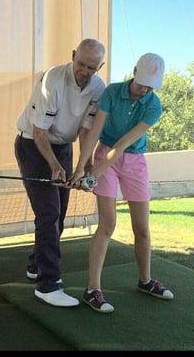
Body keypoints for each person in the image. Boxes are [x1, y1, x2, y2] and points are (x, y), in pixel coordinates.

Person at [69, 53, 174, 313]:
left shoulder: (154, 106)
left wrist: (94, 173)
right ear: (134, 70)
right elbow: (94, 132)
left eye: (150, 85)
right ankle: (92, 289)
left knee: (142, 228)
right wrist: (83, 168)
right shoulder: (112, 92)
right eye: (142, 83)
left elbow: (124, 143)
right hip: (105, 153)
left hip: (134, 161)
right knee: (108, 224)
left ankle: (145, 281)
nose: (144, 90)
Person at [14, 38, 106, 307]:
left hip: (63, 147)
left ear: (99, 66)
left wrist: (84, 165)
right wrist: (54, 166)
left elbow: (86, 129)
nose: (85, 72)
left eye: (92, 67)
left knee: (60, 212)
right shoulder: (53, 79)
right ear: (73, 54)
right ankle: (48, 284)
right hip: (33, 146)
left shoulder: (98, 88)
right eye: (81, 64)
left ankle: (36, 264)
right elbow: (40, 131)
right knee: (49, 213)